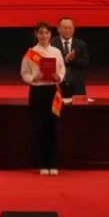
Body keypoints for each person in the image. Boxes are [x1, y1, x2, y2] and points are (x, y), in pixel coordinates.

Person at [21, 22, 65, 176]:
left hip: (53, 92)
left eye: (46, 32)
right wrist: (34, 77)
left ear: (50, 34)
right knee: (39, 127)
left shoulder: (56, 51)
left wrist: (58, 77)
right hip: (38, 92)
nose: (44, 35)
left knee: (53, 127)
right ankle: (42, 164)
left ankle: (53, 163)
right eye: (41, 33)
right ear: (36, 34)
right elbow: (24, 73)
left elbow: (62, 69)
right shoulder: (31, 53)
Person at [50, 17, 89, 103]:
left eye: (70, 28)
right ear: (59, 29)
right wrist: (65, 60)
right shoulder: (51, 43)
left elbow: (85, 63)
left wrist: (73, 59)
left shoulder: (81, 44)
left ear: (74, 29)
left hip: (77, 86)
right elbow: (50, 64)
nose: (67, 30)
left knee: (78, 110)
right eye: (65, 28)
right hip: (58, 84)